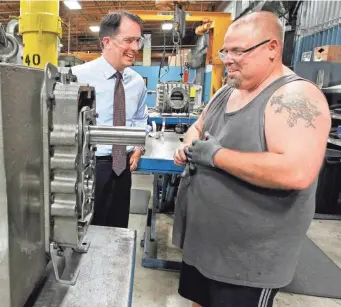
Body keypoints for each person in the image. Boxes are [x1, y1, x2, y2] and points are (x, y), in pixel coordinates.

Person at [172, 11, 331, 307]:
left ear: (272, 48)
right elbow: (198, 125)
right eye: (225, 50)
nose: (228, 59)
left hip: (247, 262)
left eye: (238, 51)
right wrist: (190, 144)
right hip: (205, 246)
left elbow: (296, 172)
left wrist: (217, 156)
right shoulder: (228, 90)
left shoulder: (294, 97)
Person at [71, 11, 148, 228]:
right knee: (85, 229)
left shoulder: (137, 82)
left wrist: (139, 147)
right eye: (129, 40)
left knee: (117, 228)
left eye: (138, 41)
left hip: (123, 168)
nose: (135, 48)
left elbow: (141, 118)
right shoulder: (77, 77)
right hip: (89, 167)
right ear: (107, 41)